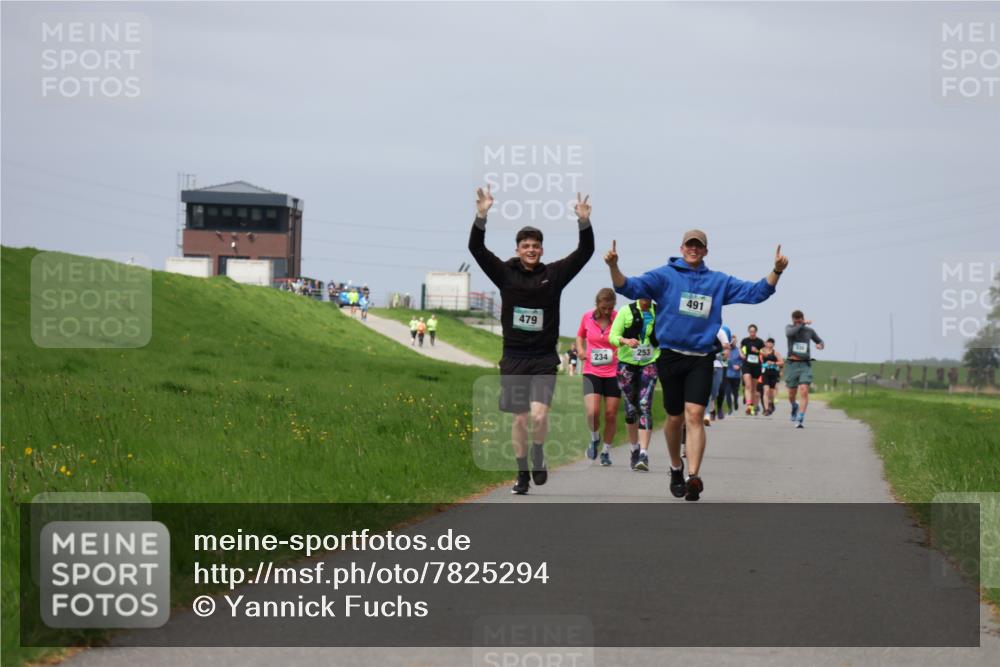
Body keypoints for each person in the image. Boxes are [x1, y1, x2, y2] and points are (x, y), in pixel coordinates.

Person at [606, 231, 787, 501]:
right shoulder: (664, 276)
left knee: (694, 415)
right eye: (689, 245)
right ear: (681, 248)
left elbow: (755, 292)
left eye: (698, 246)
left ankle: (693, 476)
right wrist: (613, 266)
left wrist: (776, 270)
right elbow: (628, 287)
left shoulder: (717, 281)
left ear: (705, 251)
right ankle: (675, 467)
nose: (693, 249)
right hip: (670, 355)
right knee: (675, 418)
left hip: (701, 357)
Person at [469, 186, 594, 495]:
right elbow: (477, 249)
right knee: (520, 419)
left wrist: (583, 222)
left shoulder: (554, 274)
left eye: (535, 245)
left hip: (542, 357)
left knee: (539, 415)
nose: (531, 250)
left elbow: (585, 253)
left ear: (541, 249)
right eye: (525, 245)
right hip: (513, 356)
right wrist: (482, 214)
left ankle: (538, 452)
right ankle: (521, 471)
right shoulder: (504, 274)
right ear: (517, 249)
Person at [609, 298, 660, 471]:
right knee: (631, 410)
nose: (646, 299)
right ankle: (634, 449)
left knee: (645, 405)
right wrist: (625, 341)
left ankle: (644, 454)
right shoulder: (626, 311)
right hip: (626, 363)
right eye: (643, 295)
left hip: (650, 362)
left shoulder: (658, 311)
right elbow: (612, 336)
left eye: (650, 295)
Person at [576, 288, 620, 467]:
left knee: (610, 414)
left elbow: (625, 338)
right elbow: (580, 336)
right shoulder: (587, 317)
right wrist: (580, 350)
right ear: (597, 305)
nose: (607, 311)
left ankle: (606, 451)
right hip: (591, 370)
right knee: (593, 412)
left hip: (614, 372)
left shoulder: (619, 318)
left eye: (610, 308)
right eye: (604, 308)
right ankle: (594, 438)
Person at [785, 310, 825, 428]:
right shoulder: (789, 328)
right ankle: (794, 406)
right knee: (792, 394)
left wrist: (820, 345)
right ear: (792, 319)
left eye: (800, 318)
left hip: (805, 365)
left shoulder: (809, 331)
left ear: (803, 318)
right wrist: (801, 324)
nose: (797, 320)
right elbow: (790, 333)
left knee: (804, 390)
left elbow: (820, 341)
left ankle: (800, 417)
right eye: (795, 319)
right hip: (792, 364)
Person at [707, 325, 732, 424]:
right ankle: (708, 413)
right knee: (705, 391)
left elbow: (727, 351)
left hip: (719, 365)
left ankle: (717, 407)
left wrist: (716, 355)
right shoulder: (702, 328)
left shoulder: (721, 332)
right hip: (704, 365)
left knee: (716, 391)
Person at [740, 324, 765, 415]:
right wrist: (742, 354)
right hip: (746, 365)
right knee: (748, 386)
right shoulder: (745, 341)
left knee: (754, 388)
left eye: (753, 331)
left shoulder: (760, 342)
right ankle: (749, 406)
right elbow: (741, 349)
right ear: (748, 331)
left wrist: (757, 351)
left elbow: (764, 353)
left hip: (756, 367)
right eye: (751, 331)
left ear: (756, 332)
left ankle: (753, 407)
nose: (752, 333)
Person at [760, 337, 784, 415]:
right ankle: (766, 409)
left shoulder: (776, 353)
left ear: (773, 344)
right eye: (768, 342)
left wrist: (773, 363)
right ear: (766, 343)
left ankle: (771, 403)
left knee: (771, 392)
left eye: (771, 343)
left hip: (773, 373)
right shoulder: (762, 352)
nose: (770, 344)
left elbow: (782, 362)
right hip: (765, 373)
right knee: (765, 390)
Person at [723, 334, 742, 416]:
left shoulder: (739, 350)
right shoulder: (726, 350)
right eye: (731, 341)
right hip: (727, 375)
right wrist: (731, 365)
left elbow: (743, 361)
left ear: (736, 342)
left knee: (735, 392)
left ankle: (736, 402)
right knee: (727, 392)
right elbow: (724, 360)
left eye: (734, 341)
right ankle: (730, 408)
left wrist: (739, 366)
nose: (733, 342)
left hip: (736, 376)